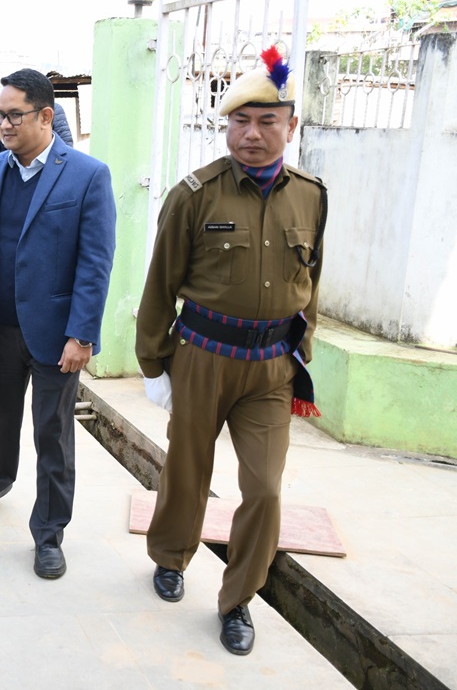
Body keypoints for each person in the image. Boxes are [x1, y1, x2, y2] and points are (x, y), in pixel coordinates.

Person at [135, 46, 326, 656]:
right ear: (226, 126)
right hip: (201, 357)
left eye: (267, 121)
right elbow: (160, 284)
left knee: (265, 489)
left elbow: (311, 283)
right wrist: (154, 363)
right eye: (240, 121)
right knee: (188, 471)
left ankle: (238, 597)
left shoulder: (312, 196)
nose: (252, 134)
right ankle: (170, 556)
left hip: (271, 367)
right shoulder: (196, 194)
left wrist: (305, 348)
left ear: (290, 127)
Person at [0, 69, 116, 580]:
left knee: (52, 431)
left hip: (55, 333)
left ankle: (49, 533)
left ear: (45, 116)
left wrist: (82, 333)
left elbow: (95, 261)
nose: (3, 124)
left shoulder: (86, 175)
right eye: (0, 115)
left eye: (13, 115)